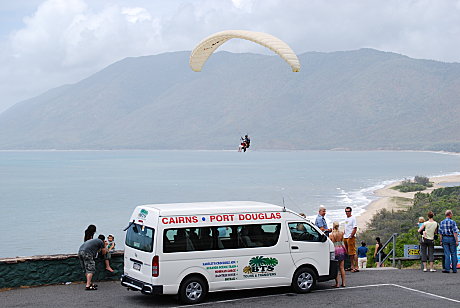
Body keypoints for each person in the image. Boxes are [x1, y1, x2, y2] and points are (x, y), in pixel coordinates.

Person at [329, 221, 346, 287]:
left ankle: (337, 283)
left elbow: (330, 243)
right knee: (342, 268)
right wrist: (345, 250)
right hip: (341, 249)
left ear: (333, 226)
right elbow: (342, 242)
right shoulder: (341, 233)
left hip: (335, 249)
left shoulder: (331, 235)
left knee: (336, 268)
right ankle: (344, 283)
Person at [343, 206, 358, 272]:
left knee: (353, 252)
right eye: (346, 211)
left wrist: (351, 236)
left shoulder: (353, 218)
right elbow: (346, 228)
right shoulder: (346, 219)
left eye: (348, 211)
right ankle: (351, 266)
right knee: (349, 253)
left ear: (350, 212)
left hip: (350, 237)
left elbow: (355, 228)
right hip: (345, 237)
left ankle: (356, 266)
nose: (347, 213)